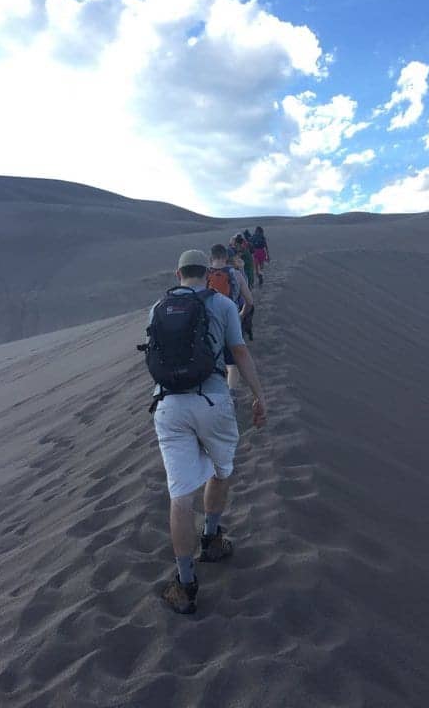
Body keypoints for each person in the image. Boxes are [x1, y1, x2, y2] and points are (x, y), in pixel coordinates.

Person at [149, 249, 266, 615]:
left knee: (180, 495)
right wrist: (258, 395)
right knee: (220, 470)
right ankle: (211, 539)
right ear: (208, 272)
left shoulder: (157, 308)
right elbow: (239, 353)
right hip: (213, 400)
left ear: (178, 272)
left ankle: (185, 584)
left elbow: (153, 358)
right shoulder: (224, 305)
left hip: (168, 406)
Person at [209, 244, 253, 392]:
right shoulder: (236, 274)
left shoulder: (204, 275)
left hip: (209, 324)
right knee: (232, 364)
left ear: (211, 257)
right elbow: (250, 301)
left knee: (211, 360)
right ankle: (230, 393)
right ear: (226, 257)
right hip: (231, 320)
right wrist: (241, 314)